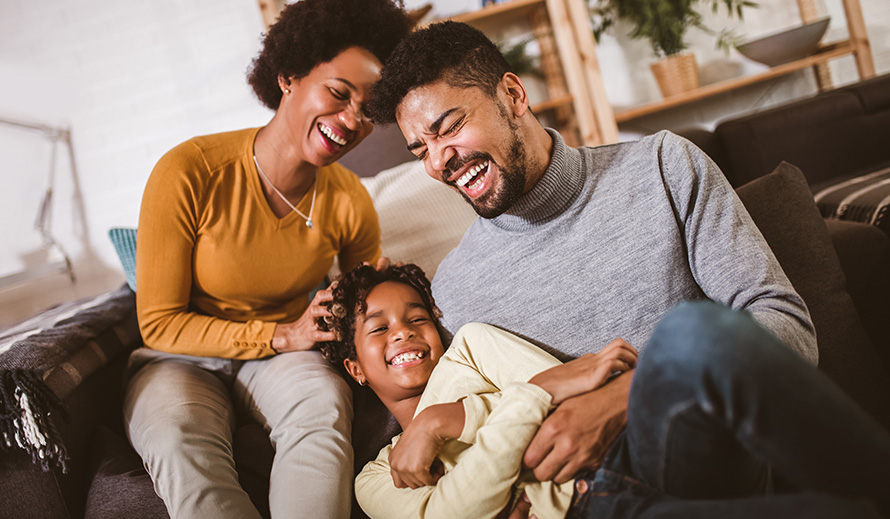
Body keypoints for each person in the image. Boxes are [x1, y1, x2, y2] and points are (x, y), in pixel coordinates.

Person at [364, 21, 890, 518]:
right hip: (589, 502)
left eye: (449, 127)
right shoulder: (455, 289)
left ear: (513, 95)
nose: (438, 163)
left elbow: (786, 324)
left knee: (690, 333)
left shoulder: (662, 167)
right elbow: (470, 437)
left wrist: (623, 398)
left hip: (705, 459)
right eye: (421, 150)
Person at [123, 2, 412, 518]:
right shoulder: (189, 171)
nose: (351, 121)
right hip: (180, 358)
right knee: (176, 437)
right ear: (289, 76)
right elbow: (158, 324)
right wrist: (281, 335)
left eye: (367, 110)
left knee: (323, 407)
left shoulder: (348, 199)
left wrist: (369, 302)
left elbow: (359, 305)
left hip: (284, 360)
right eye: (339, 93)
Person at [318, 263, 638, 519]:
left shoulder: (471, 349)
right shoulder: (375, 479)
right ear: (355, 369)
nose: (403, 330)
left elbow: (577, 413)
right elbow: (452, 513)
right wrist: (531, 394)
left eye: (418, 318)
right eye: (379, 327)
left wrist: (443, 420)